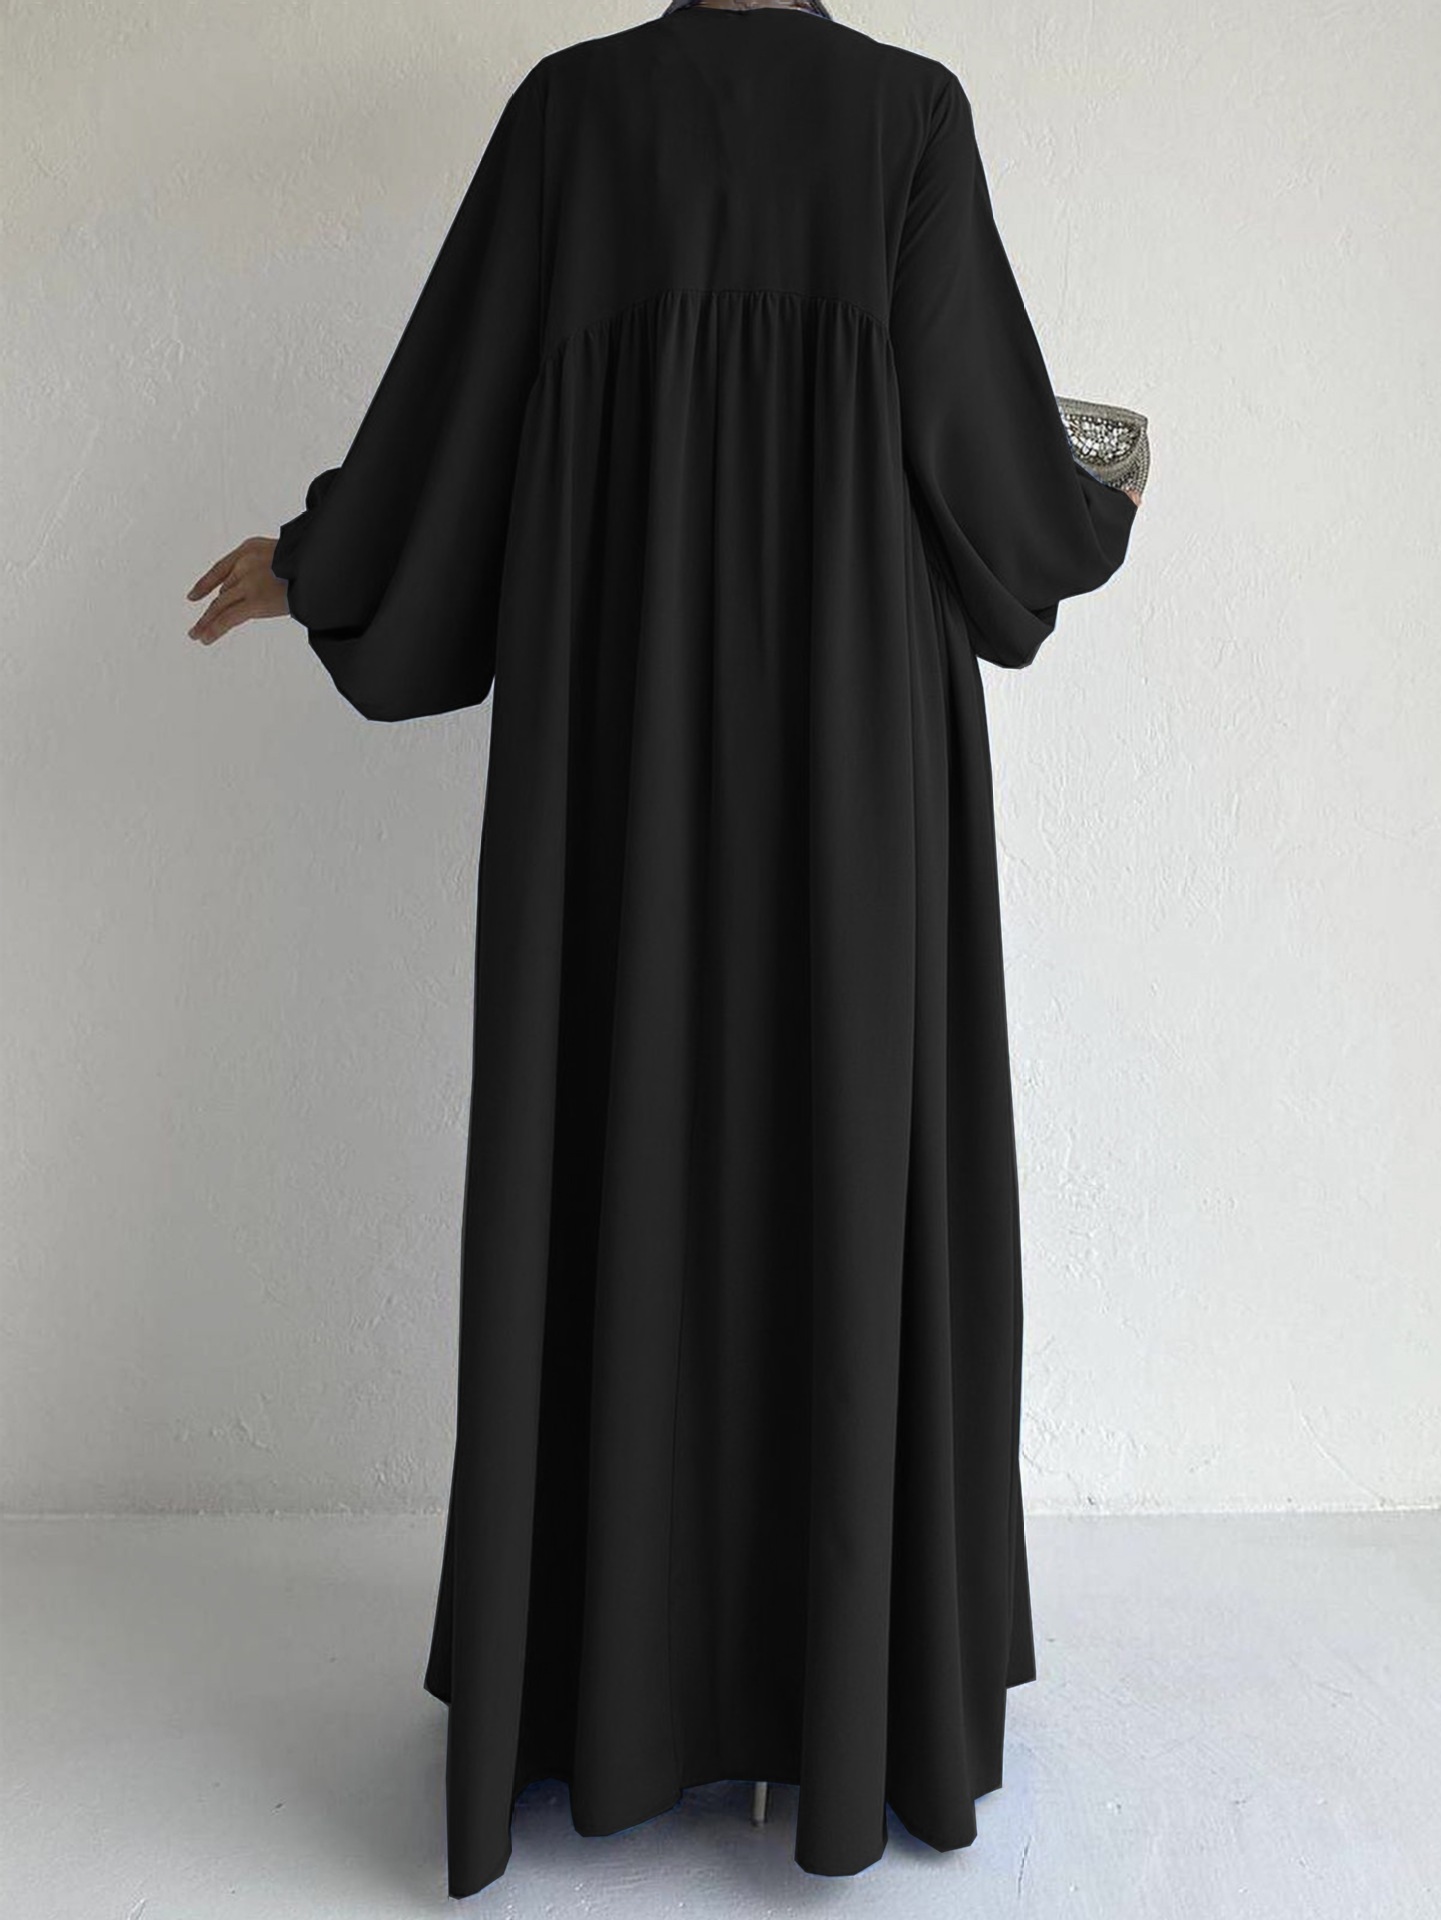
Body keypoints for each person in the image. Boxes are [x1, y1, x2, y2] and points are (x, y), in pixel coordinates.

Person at [187, 0, 1145, 1900]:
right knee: (850, 1165)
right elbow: (987, 470)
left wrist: (320, 554)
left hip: (616, 765)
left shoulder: (575, 116)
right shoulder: (902, 119)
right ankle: (847, 1704)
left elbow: (450, 425)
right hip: (859, 768)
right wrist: (1092, 492)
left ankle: (605, 1693)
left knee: (616, 1148)